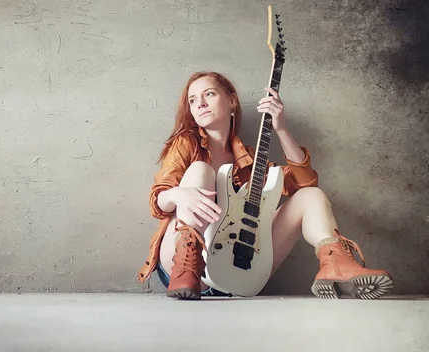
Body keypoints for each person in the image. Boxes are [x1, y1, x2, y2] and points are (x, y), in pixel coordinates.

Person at [137, 71, 393, 300]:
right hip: (183, 271)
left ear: (231, 101)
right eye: (192, 100)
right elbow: (158, 202)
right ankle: (188, 264)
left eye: (209, 94)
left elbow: (304, 183)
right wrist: (181, 194)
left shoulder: (251, 159)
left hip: (237, 270)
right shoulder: (186, 143)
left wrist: (280, 128)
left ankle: (334, 262)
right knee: (200, 170)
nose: (200, 103)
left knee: (311, 195)